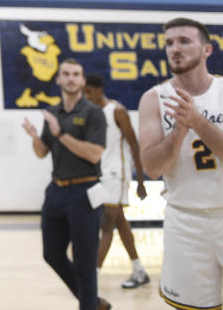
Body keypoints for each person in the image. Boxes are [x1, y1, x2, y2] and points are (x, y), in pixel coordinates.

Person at [139, 17, 223, 310]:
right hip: (185, 221)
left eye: (184, 41)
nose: (175, 48)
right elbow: (152, 167)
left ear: (207, 50)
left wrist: (197, 121)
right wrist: (178, 131)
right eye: (169, 43)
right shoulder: (153, 99)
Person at [21, 58, 109, 310]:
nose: (71, 78)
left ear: (82, 80)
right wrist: (35, 137)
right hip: (57, 190)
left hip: (85, 191)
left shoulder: (93, 113)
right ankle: (92, 301)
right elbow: (42, 152)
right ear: (58, 79)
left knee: (84, 261)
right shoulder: (54, 112)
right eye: (66, 74)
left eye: (76, 74)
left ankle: (89, 304)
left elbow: (94, 154)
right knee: (51, 254)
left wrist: (61, 134)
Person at [83, 73, 150, 288]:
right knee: (121, 224)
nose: (86, 96)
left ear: (99, 90)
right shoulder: (90, 113)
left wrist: (140, 180)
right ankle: (139, 270)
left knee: (107, 225)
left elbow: (134, 145)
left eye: (89, 92)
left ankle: (91, 277)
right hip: (99, 176)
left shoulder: (117, 111)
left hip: (116, 176)